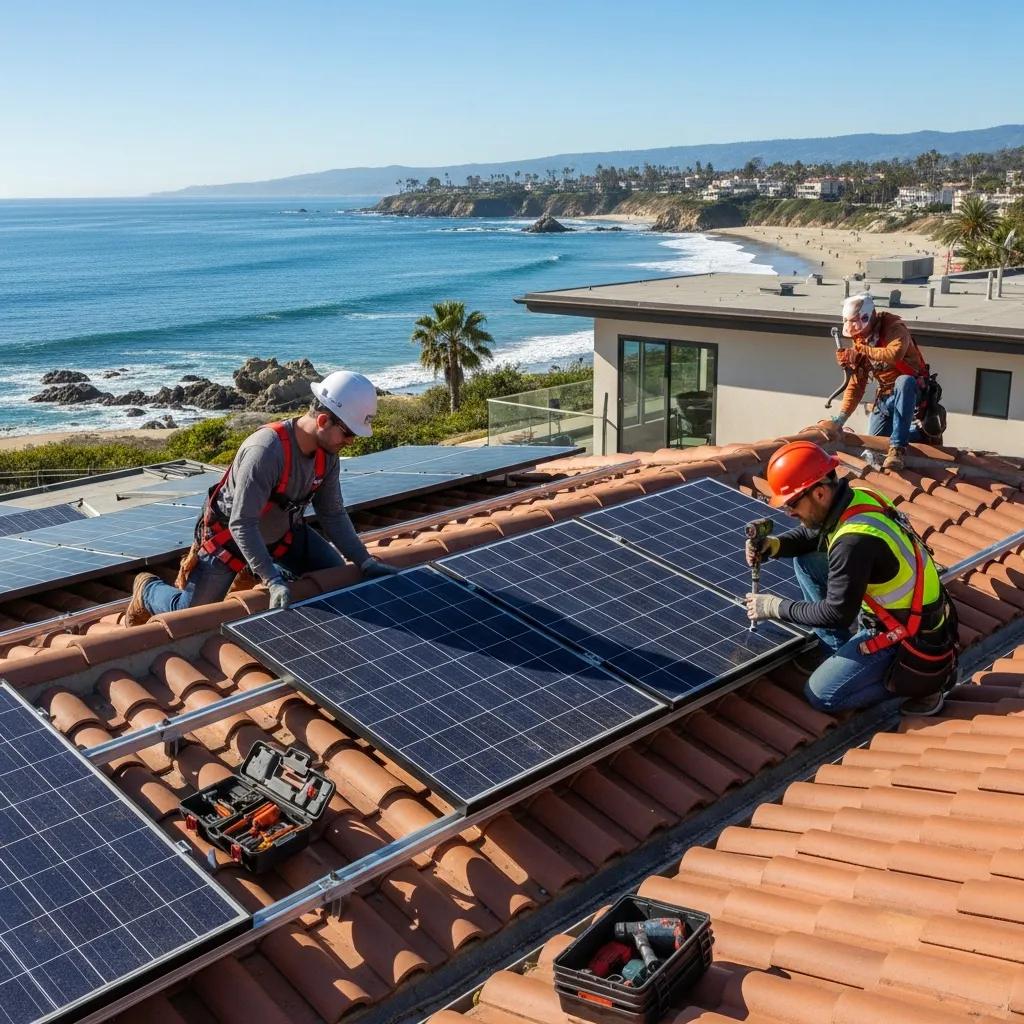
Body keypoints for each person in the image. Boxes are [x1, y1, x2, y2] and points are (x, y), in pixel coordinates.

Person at [125, 370, 397, 624]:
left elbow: (333, 514)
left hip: (282, 535)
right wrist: (272, 579)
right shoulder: (266, 451)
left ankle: (255, 568)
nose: (350, 442)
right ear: (323, 420)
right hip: (230, 541)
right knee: (193, 616)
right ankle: (148, 590)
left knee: (334, 575)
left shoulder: (328, 456)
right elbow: (241, 524)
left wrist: (364, 561)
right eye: (348, 433)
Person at [744, 440, 958, 716]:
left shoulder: (853, 542)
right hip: (917, 614)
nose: (789, 513)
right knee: (806, 559)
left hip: (906, 636)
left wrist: (774, 607)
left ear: (819, 493)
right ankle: (835, 649)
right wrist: (774, 546)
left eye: (792, 504)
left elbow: (836, 614)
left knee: (822, 695)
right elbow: (812, 535)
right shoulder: (857, 496)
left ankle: (927, 684)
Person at [828, 292, 928, 472]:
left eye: (861, 331)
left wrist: (861, 351)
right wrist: (840, 418)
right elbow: (857, 384)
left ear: (869, 317)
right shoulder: (861, 341)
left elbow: (893, 354)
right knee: (873, 447)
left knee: (904, 382)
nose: (859, 336)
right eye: (856, 335)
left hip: (908, 396)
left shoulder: (894, 329)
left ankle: (898, 448)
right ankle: (914, 436)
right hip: (884, 398)